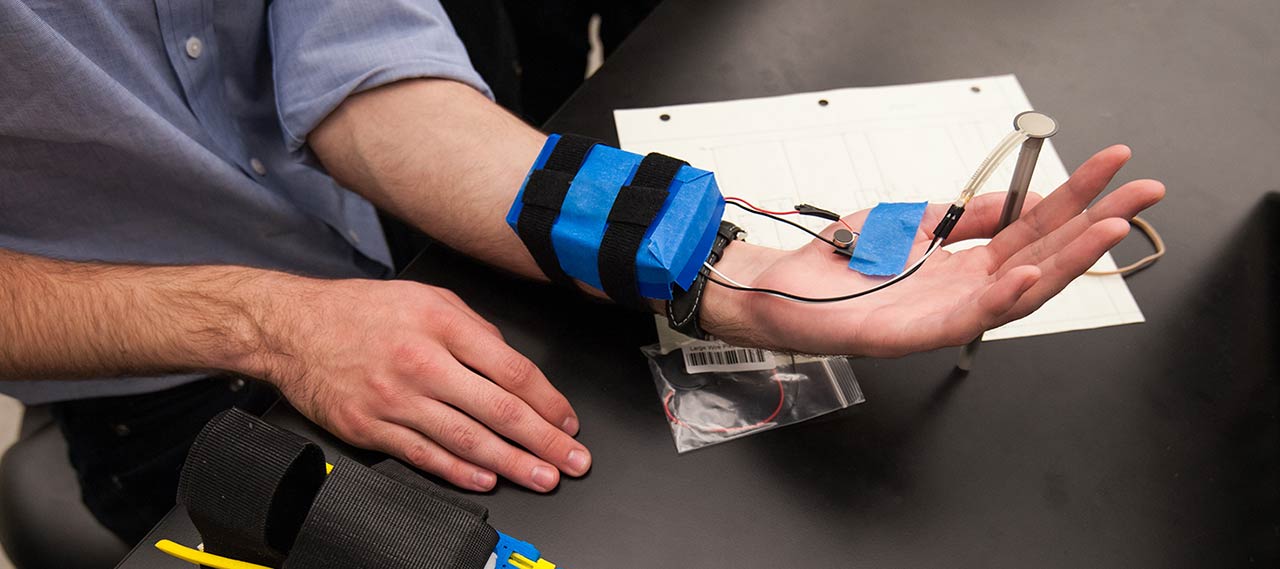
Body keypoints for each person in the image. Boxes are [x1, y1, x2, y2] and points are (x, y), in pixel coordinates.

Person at [0, 0, 1164, 546]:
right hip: (158, 365)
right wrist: (263, 320)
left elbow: (362, 73)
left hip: (410, 243)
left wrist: (727, 270)